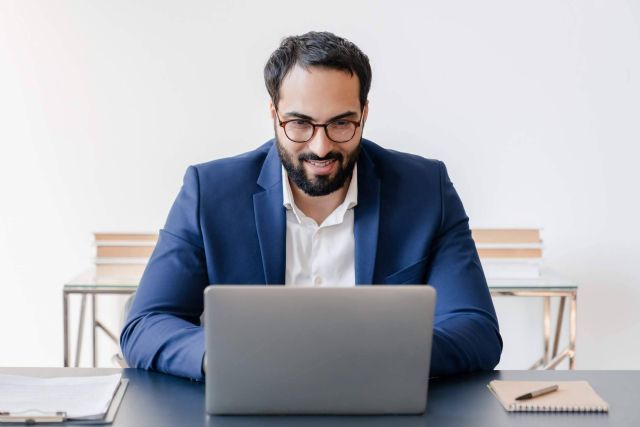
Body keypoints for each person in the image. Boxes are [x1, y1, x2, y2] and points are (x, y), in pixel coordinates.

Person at [120, 31, 502, 381]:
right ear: (274, 115)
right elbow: (147, 323)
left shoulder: (425, 190)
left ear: (364, 115)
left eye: (341, 124)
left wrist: (373, 357)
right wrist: (226, 358)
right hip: (250, 405)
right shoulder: (210, 192)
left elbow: (476, 328)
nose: (321, 147)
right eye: (300, 124)